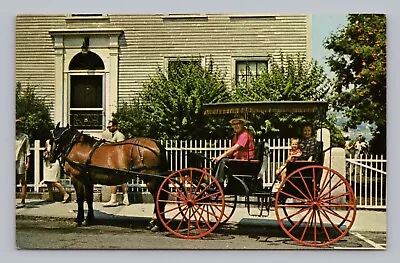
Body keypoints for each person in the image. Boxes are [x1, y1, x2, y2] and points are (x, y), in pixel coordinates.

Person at [212, 116, 255, 186]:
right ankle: (216, 182)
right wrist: (218, 158)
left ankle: (218, 184)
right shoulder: (236, 136)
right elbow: (232, 152)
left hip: (245, 162)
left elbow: (235, 148)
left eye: (238, 124)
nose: (236, 126)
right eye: (234, 124)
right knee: (221, 161)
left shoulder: (245, 134)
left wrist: (220, 157)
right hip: (238, 160)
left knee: (223, 161)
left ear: (242, 124)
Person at [102, 119, 129, 207]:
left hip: (118, 160)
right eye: (108, 127)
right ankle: (125, 199)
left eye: (110, 127)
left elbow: (120, 148)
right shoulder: (114, 135)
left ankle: (113, 199)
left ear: (115, 126)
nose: (109, 128)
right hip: (117, 159)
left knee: (114, 179)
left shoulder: (119, 135)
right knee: (123, 180)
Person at [16, 118, 30, 208]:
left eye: (18, 125)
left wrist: (28, 162)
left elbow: (27, 151)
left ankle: (23, 200)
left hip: (20, 159)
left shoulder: (24, 137)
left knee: (22, 180)